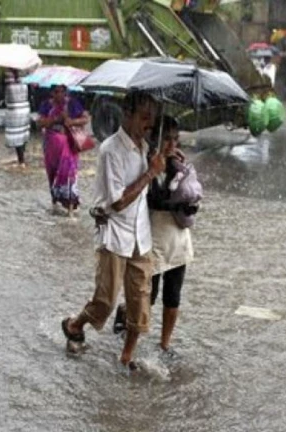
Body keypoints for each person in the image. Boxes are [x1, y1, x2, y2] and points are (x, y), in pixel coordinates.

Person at [61, 90, 165, 370]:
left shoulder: (145, 148)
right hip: (114, 235)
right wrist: (150, 173)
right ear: (127, 115)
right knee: (105, 302)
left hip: (140, 238)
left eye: (152, 118)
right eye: (144, 117)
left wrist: (162, 161)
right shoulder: (111, 150)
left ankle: (126, 358)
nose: (149, 123)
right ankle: (73, 324)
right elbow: (118, 201)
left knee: (140, 306)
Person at [112, 115, 198, 355]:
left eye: (175, 139)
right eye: (166, 139)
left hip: (178, 239)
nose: (172, 145)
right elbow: (151, 199)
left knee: (173, 296)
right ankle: (127, 323)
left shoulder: (181, 166)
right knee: (147, 297)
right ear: (155, 139)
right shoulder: (146, 165)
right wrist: (158, 170)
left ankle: (164, 344)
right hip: (152, 238)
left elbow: (191, 192)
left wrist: (179, 173)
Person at [36, 84, 90, 215]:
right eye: (56, 91)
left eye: (62, 91)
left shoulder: (72, 103)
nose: (60, 94)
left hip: (69, 145)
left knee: (69, 174)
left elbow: (85, 119)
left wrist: (71, 121)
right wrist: (55, 119)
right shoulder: (46, 105)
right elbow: (39, 123)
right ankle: (54, 203)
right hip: (51, 146)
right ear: (52, 93)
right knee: (52, 174)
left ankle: (70, 209)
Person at [3, 68, 30, 168]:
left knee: (21, 134)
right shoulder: (10, 74)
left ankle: (21, 159)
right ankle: (21, 159)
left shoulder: (22, 74)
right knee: (19, 134)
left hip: (19, 107)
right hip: (17, 108)